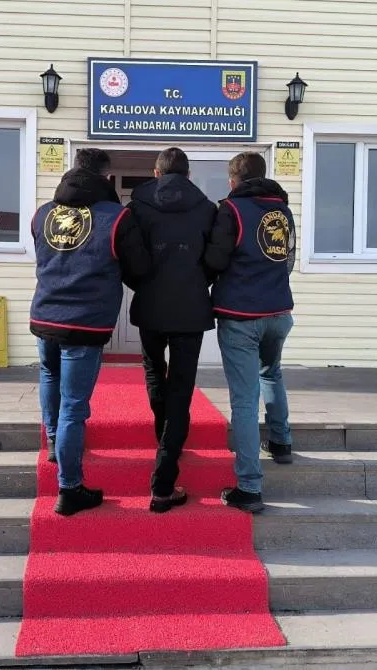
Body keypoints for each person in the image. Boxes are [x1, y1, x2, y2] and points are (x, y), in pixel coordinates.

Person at [30, 148, 149, 516]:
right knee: (74, 407)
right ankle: (69, 489)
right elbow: (138, 269)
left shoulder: (43, 214)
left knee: (49, 376)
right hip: (84, 321)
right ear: (105, 177)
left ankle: (55, 443)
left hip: (45, 314)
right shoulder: (116, 217)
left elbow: (44, 257)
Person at [126, 147, 217, 513]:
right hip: (191, 310)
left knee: (154, 372)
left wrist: (145, 284)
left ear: (156, 172)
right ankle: (164, 478)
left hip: (150, 306)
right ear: (188, 175)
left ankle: (164, 442)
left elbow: (128, 257)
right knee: (180, 389)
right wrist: (196, 283)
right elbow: (215, 259)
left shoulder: (137, 206)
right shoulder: (207, 208)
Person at [204, 151, 296, 514]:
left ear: (233, 180)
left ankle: (249, 487)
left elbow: (215, 260)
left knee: (244, 400)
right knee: (271, 373)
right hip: (279, 312)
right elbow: (287, 259)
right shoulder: (282, 210)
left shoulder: (231, 209)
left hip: (241, 315)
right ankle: (281, 442)